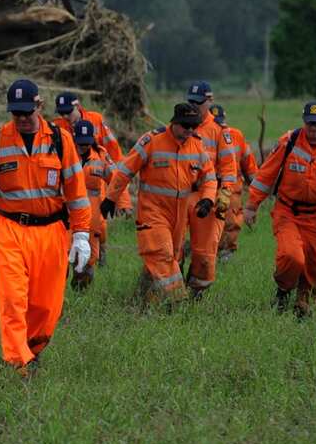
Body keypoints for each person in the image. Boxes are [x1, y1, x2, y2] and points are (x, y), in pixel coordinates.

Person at [0, 80, 90, 379]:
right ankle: (18, 363)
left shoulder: (60, 139)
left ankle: (32, 349)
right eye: (16, 114)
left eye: (27, 112)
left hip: (52, 231)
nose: (23, 118)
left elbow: (77, 191)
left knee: (46, 305)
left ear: (39, 106)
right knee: (14, 298)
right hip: (10, 229)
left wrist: (81, 234)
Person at [243, 101, 316, 317]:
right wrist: (251, 205)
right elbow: (266, 175)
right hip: (288, 213)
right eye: (310, 125)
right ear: (304, 122)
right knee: (292, 257)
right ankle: (283, 292)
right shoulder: (289, 142)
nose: (314, 130)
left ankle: (302, 303)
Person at [101, 103, 216, 308]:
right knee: (161, 254)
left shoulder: (197, 145)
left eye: (193, 127)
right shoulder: (152, 141)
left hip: (179, 216)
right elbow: (126, 170)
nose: (189, 131)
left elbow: (209, 178)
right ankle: (177, 300)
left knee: (170, 257)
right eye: (185, 126)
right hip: (153, 212)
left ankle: (142, 302)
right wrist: (112, 197)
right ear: (174, 123)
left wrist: (207, 199)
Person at [180, 81, 236, 298]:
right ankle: (172, 293)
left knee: (204, 252)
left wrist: (225, 193)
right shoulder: (181, 125)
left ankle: (196, 292)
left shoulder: (220, 132)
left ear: (210, 102)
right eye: (190, 102)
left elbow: (229, 168)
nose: (194, 107)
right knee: (172, 248)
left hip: (209, 196)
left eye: (199, 103)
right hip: (182, 195)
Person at [54, 91, 130, 217]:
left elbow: (115, 156)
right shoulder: (57, 127)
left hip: (95, 184)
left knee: (97, 228)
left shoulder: (96, 120)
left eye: (68, 112)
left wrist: (123, 200)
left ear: (77, 106)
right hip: (69, 187)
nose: (65, 116)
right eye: (62, 113)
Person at [211, 104, 257, 262]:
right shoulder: (199, 137)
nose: (219, 125)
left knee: (231, 222)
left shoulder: (237, 136)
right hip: (207, 189)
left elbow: (249, 166)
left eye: (220, 121)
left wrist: (257, 191)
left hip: (232, 190)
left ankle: (226, 255)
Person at [70, 119, 111, 291]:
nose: (83, 147)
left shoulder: (101, 156)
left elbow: (116, 179)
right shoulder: (66, 154)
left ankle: (81, 285)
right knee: (64, 252)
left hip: (92, 216)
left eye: (87, 143)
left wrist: (118, 201)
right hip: (69, 214)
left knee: (89, 257)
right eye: (80, 143)